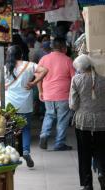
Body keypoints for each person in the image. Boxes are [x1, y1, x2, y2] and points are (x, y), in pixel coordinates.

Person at [0, 45, 48, 168]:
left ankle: (11, 155)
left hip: (8, 104)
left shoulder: (3, 69)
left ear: (8, 56)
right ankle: (26, 151)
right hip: (25, 104)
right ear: (21, 55)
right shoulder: (29, 65)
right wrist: (34, 82)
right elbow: (45, 70)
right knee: (25, 129)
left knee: (9, 130)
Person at [69, 54, 105, 190]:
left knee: (84, 153)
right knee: (102, 151)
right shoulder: (104, 80)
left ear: (80, 68)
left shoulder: (76, 80)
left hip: (83, 121)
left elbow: (73, 104)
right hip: (102, 121)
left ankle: (87, 184)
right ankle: (102, 173)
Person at [38, 37, 75, 151]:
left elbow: (38, 77)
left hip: (48, 93)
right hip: (63, 95)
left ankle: (44, 134)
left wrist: (40, 91)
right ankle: (59, 143)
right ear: (63, 48)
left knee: (49, 115)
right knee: (62, 119)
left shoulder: (44, 59)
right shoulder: (68, 60)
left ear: (52, 47)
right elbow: (74, 79)